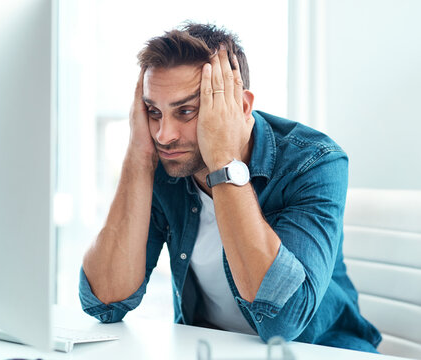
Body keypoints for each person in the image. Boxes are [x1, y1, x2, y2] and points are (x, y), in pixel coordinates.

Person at [79, 22, 381, 352]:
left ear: (241, 106)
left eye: (186, 111)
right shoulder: (165, 162)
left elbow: (283, 323)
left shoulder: (314, 162)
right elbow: (105, 304)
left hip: (322, 351)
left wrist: (222, 159)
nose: (164, 135)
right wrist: (138, 158)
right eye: (153, 112)